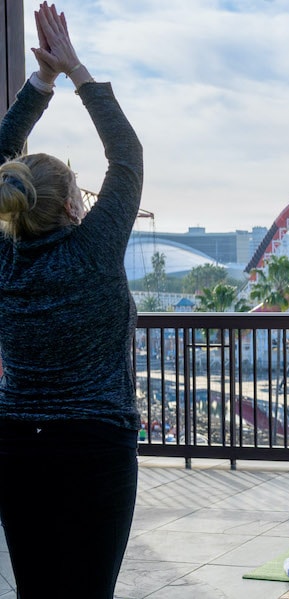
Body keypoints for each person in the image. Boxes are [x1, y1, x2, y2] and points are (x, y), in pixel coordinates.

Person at [0, 3, 143, 597]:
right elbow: (127, 155)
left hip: (16, 445)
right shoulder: (95, 250)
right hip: (96, 446)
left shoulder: (6, 261)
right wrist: (73, 69)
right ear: (69, 205)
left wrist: (41, 83)